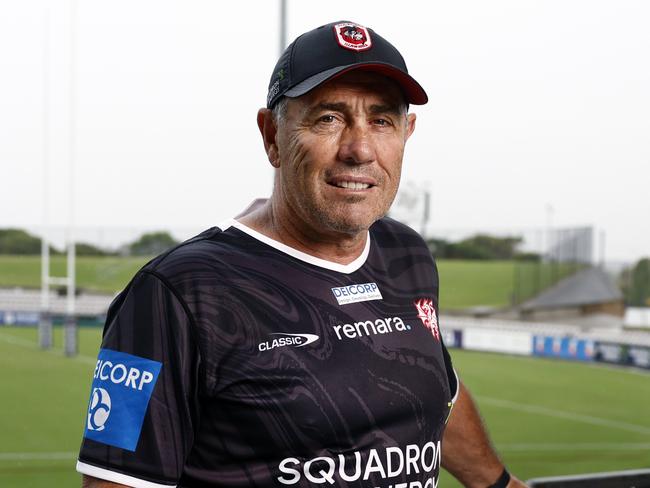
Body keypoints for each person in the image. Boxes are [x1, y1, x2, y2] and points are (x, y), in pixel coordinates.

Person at [77, 21, 527, 488]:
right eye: (328, 118)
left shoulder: (406, 253)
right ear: (272, 135)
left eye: (382, 120)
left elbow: (440, 396)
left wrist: (500, 485)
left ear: (407, 132)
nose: (360, 150)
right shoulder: (177, 293)